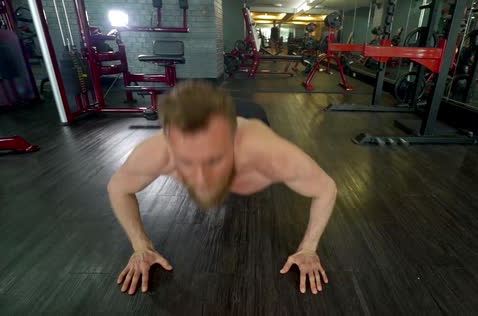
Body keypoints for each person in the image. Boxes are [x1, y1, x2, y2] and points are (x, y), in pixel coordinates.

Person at [107, 80, 338, 296]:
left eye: (213, 160)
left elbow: (326, 188)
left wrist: (308, 248)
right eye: (187, 162)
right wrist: (140, 246)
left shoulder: (268, 152)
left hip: (250, 119)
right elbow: (118, 188)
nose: (200, 177)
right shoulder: (154, 152)